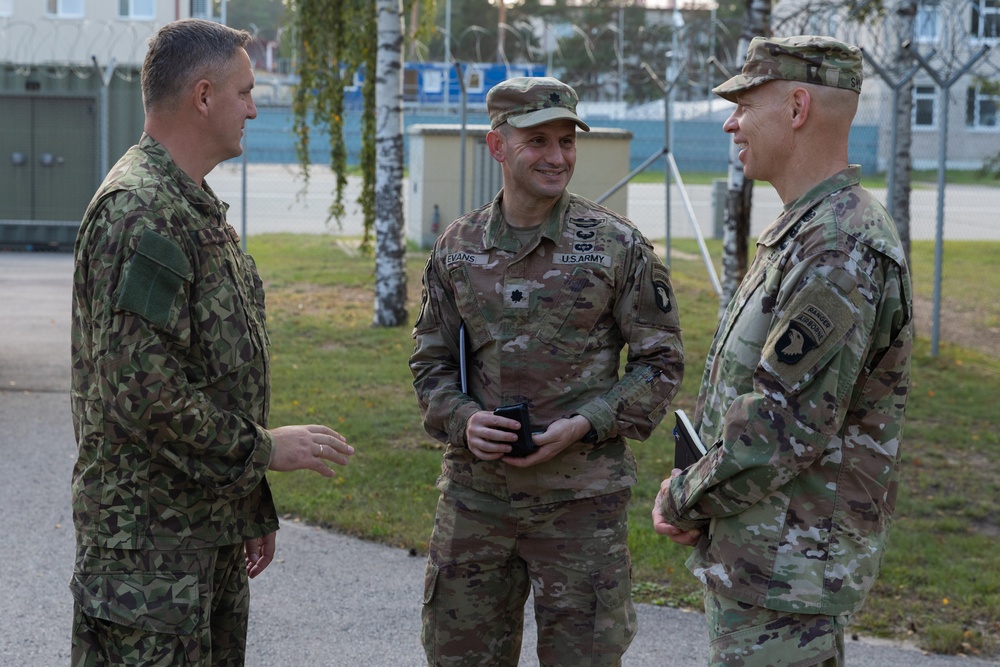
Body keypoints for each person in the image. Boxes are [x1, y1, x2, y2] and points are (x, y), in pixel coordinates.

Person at [69, 18, 354, 666]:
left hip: (204, 536)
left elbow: (213, 368)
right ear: (203, 96)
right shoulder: (140, 212)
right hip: (149, 559)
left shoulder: (190, 204)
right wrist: (262, 451)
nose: (255, 107)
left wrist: (246, 501)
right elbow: (141, 389)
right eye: (245, 92)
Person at [653, 35, 913, 667]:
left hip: (786, 573)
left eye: (745, 103)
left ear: (797, 108)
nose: (730, 120)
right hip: (768, 561)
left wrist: (685, 494)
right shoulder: (807, 232)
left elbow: (778, 428)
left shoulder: (838, 249)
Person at [410, 76, 685, 666]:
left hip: (580, 507)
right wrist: (462, 420)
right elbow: (430, 361)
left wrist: (588, 422)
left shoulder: (617, 245)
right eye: (538, 140)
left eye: (566, 140)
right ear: (498, 146)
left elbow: (661, 363)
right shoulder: (456, 247)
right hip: (475, 503)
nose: (557, 157)